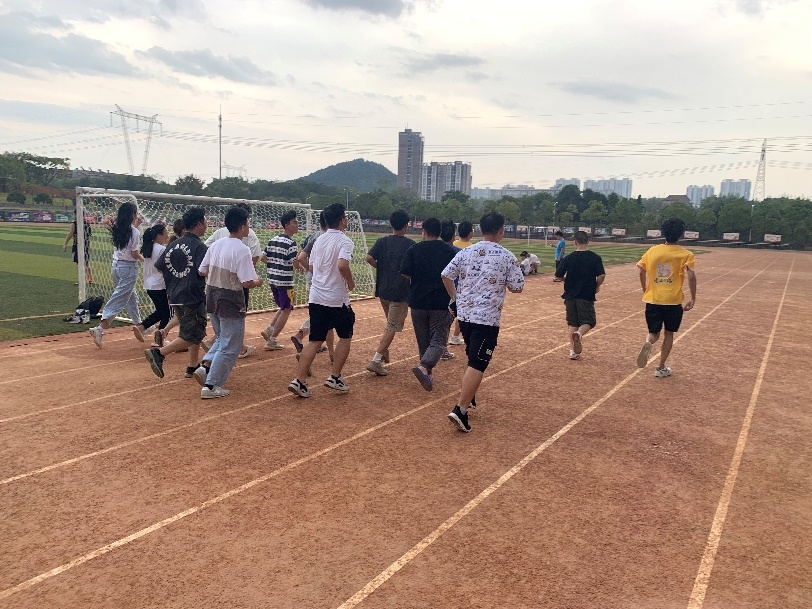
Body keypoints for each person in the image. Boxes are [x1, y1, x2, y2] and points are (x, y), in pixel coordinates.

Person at [441, 211, 524, 432]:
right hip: (486, 319)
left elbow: (446, 275)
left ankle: (470, 395)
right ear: (501, 231)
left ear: (480, 229)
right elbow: (517, 287)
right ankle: (460, 409)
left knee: (472, 357)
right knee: (479, 362)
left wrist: (455, 299)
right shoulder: (507, 256)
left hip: (465, 316)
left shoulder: (466, 251)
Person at [193, 206, 263, 398]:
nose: (249, 227)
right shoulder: (242, 249)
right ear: (242, 227)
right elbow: (247, 282)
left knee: (222, 337)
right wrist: (258, 281)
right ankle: (211, 385)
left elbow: (202, 271)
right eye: (248, 223)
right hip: (230, 299)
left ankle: (206, 366)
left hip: (212, 295)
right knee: (231, 344)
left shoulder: (216, 244)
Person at [288, 203, 355, 398]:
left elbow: (311, 266)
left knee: (315, 339)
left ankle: (299, 380)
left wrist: (322, 276)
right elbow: (342, 265)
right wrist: (350, 282)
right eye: (345, 217)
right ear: (342, 220)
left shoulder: (319, 239)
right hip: (336, 298)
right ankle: (335, 376)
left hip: (316, 296)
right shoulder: (345, 241)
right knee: (345, 336)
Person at [144, 207, 208, 379]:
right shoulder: (199, 247)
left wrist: (177, 276)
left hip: (174, 294)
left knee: (192, 330)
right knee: (194, 334)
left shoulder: (173, 244)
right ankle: (159, 353)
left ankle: (192, 366)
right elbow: (202, 271)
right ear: (199, 224)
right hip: (192, 295)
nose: (206, 225)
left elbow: (159, 267)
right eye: (205, 222)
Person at [400, 217, 458, 392]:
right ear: (439, 232)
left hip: (418, 301)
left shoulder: (413, 249)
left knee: (423, 341)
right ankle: (425, 367)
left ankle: (426, 372)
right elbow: (456, 274)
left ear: (423, 231)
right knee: (439, 340)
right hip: (440, 302)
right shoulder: (449, 251)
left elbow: (405, 274)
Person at [636, 217, 697, 377]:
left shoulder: (652, 251)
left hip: (653, 299)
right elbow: (691, 276)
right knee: (669, 333)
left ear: (663, 233)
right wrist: (693, 298)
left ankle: (648, 342)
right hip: (673, 300)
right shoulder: (686, 254)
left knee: (654, 332)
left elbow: (641, 270)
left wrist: (645, 289)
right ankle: (661, 367)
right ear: (681, 234)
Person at [203, 202, 261, 359]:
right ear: (243, 223)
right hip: (234, 288)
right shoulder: (248, 239)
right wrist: (254, 278)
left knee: (221, 325)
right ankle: (235, 349)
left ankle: (208, 359)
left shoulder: (219, 235)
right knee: (232, 327)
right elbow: (254, 259)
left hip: (213, 287)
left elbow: (205, 250)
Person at [364, 209, 413, 376]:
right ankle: (376, 360)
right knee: (392, 326)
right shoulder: (410, 245)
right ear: (406, 225)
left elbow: (369, 258)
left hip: (383, 290)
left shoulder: (382, 241)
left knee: (389, 325)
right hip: (400, 292)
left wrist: (382, 268)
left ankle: (384, 352)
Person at [88, 202, 143, 348]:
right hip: (129, 268)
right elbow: (134, 253)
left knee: (131, 298)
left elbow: (127, 239)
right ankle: (100, 329)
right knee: (119, 299)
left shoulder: (119, 228)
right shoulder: (134, 232)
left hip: (116, 266)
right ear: (133, 214)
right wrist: (144, 259)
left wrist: (136, 225)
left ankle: (141, 326)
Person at [290, 211, 334, 370]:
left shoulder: (312, 236)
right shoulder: (329, 238)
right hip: (324, 282)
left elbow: (298, 257)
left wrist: (306, 268)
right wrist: (313, 269)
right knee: (324, 316)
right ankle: (301, 336)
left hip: (312, 280)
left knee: (324, 316)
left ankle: (331, 353)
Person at [554, 231, 605, 360]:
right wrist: (597, 286)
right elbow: (601, 275)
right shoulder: (595, 257)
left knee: (572, 323)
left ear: (575, 242)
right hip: (586, 294)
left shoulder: (568, 258)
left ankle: (573, 351)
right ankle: (579, 333)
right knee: (588, 322)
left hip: (570, 294)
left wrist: (567, 280)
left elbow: (558, 275)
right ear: (588, 241)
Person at [261, 210, 304, 350]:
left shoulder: (273, 239)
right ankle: (272, 339)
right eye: (294, 222)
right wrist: (301, 268)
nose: (297, 225)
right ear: (287, 225)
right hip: (284, 281)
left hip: (272, 279)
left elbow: (263, 257)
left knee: (283, 306)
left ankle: (270, 329)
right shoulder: (291, 243)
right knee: (287, 308)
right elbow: (295, 262)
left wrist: (274, 265)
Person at [131, 224, 171, 344]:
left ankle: (142, 327)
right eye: (166, 233)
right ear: (159, 235)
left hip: (149, 284)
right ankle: (160, 339)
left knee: (161, 311)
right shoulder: (161, 249)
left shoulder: (149, 248)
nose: (168, 235)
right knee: (167, 313)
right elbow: (163, 268)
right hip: (160, 284)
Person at [448, 220, 474, 346]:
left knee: (448, 313)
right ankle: (455, 336)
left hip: (449, 282)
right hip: (463, 285)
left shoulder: (453, 244)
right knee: (460, 312)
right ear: (470, 233)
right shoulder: (472, 248)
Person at [64, 215, 93, 284]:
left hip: (77, 246)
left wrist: (65, 244)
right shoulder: (87, 224)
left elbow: (70, 234)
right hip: (86, 245)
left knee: (79, 263)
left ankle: (81, 279)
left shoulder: (74, 223)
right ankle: (90, 279)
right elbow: (89, 236)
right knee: (86, 263)